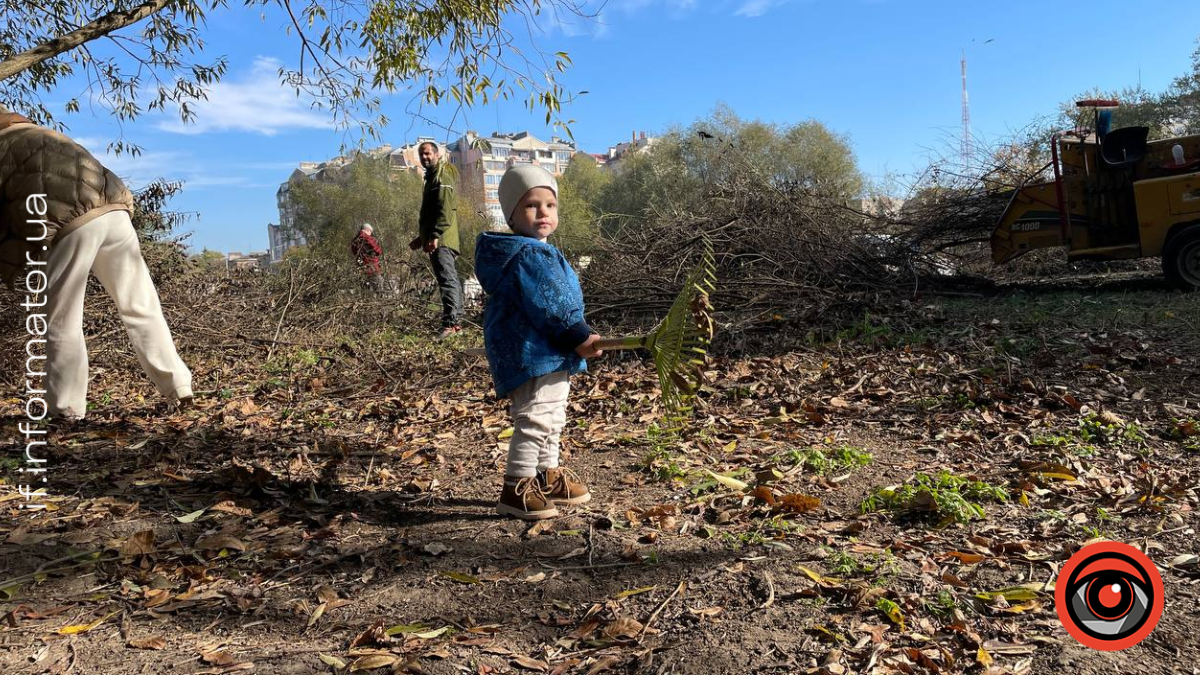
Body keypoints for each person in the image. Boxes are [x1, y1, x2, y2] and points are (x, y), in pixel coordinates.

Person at [0, 105, 193, 420]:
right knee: (139, 304)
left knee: (60, 319)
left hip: (69, 222)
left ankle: (65, 410)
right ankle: (180, 386)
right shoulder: (39, 133)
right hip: (112, 207)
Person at [474, 165, 604, 521]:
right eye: (531, 205)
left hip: (544, 349)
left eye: (550, 204)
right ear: (512, 216)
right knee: (536, 417)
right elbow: (551, 302)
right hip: (534, 349)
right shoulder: (530, 256)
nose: (543, 212)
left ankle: (547, 474)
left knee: (551, 416)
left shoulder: (532, 252)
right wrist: (579, 335)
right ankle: (517, 486)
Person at [410, 142, 462, 338]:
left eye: (427, 153)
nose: (424, 158)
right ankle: (456, 325)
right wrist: (421, 238)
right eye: (421, 155)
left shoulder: (441, 178)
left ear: (437, 155)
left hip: (443, 241)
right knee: (451, 280)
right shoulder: (432, 178)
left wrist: (434, 235)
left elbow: (445, 212)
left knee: (447, 281)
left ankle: (450, 325)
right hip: (439, 239)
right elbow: (433, 215)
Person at [350, 222, 384, 292]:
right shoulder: (367, 237)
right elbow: (378, 251)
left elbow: (354, 253)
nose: (370, 234)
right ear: (367, 230)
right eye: (370, 232)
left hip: (361, 267)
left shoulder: (354, 240)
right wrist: (379, 251)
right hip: (372, 267)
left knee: (365, 290)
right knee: (379, 288)